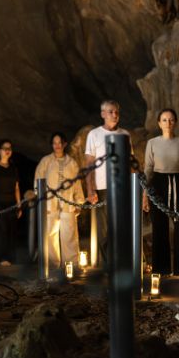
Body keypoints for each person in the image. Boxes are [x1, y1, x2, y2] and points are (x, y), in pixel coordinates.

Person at [143, 108, 179, 277]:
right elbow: (148, 169)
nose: (168, 123)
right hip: (158, 182)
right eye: (164, 120)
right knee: (159, 226)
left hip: (178, 182)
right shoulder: (152, 143)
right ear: (159, 123)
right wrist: (145, 194)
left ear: (175, 122)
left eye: (171, 119)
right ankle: (161, 269)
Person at [85, 99, 131, 268]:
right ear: (103, 114)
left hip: (121, 187)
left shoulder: (125, 134)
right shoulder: (94, 135)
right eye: (110, 111)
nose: (114, 115)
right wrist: (90, 189)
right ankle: (109, 265)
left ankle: (123, 263)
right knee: (104, 230)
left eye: (116, 112)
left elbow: (131, 162)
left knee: (122, 226)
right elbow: (89, 164)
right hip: (102, 188)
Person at [34, 132, 84, 269]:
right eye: (55, 143)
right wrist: (41, 199)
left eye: (59, 143)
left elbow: (77, 183)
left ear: (64, 144)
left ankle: (71, 265)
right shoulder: (46, 161)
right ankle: (53, 266)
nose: (57, 145)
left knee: (69, 235)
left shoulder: (72, 163)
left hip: (67, 203)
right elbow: (38, 180)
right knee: (50, 235)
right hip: (50, 204)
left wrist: (79, 202)